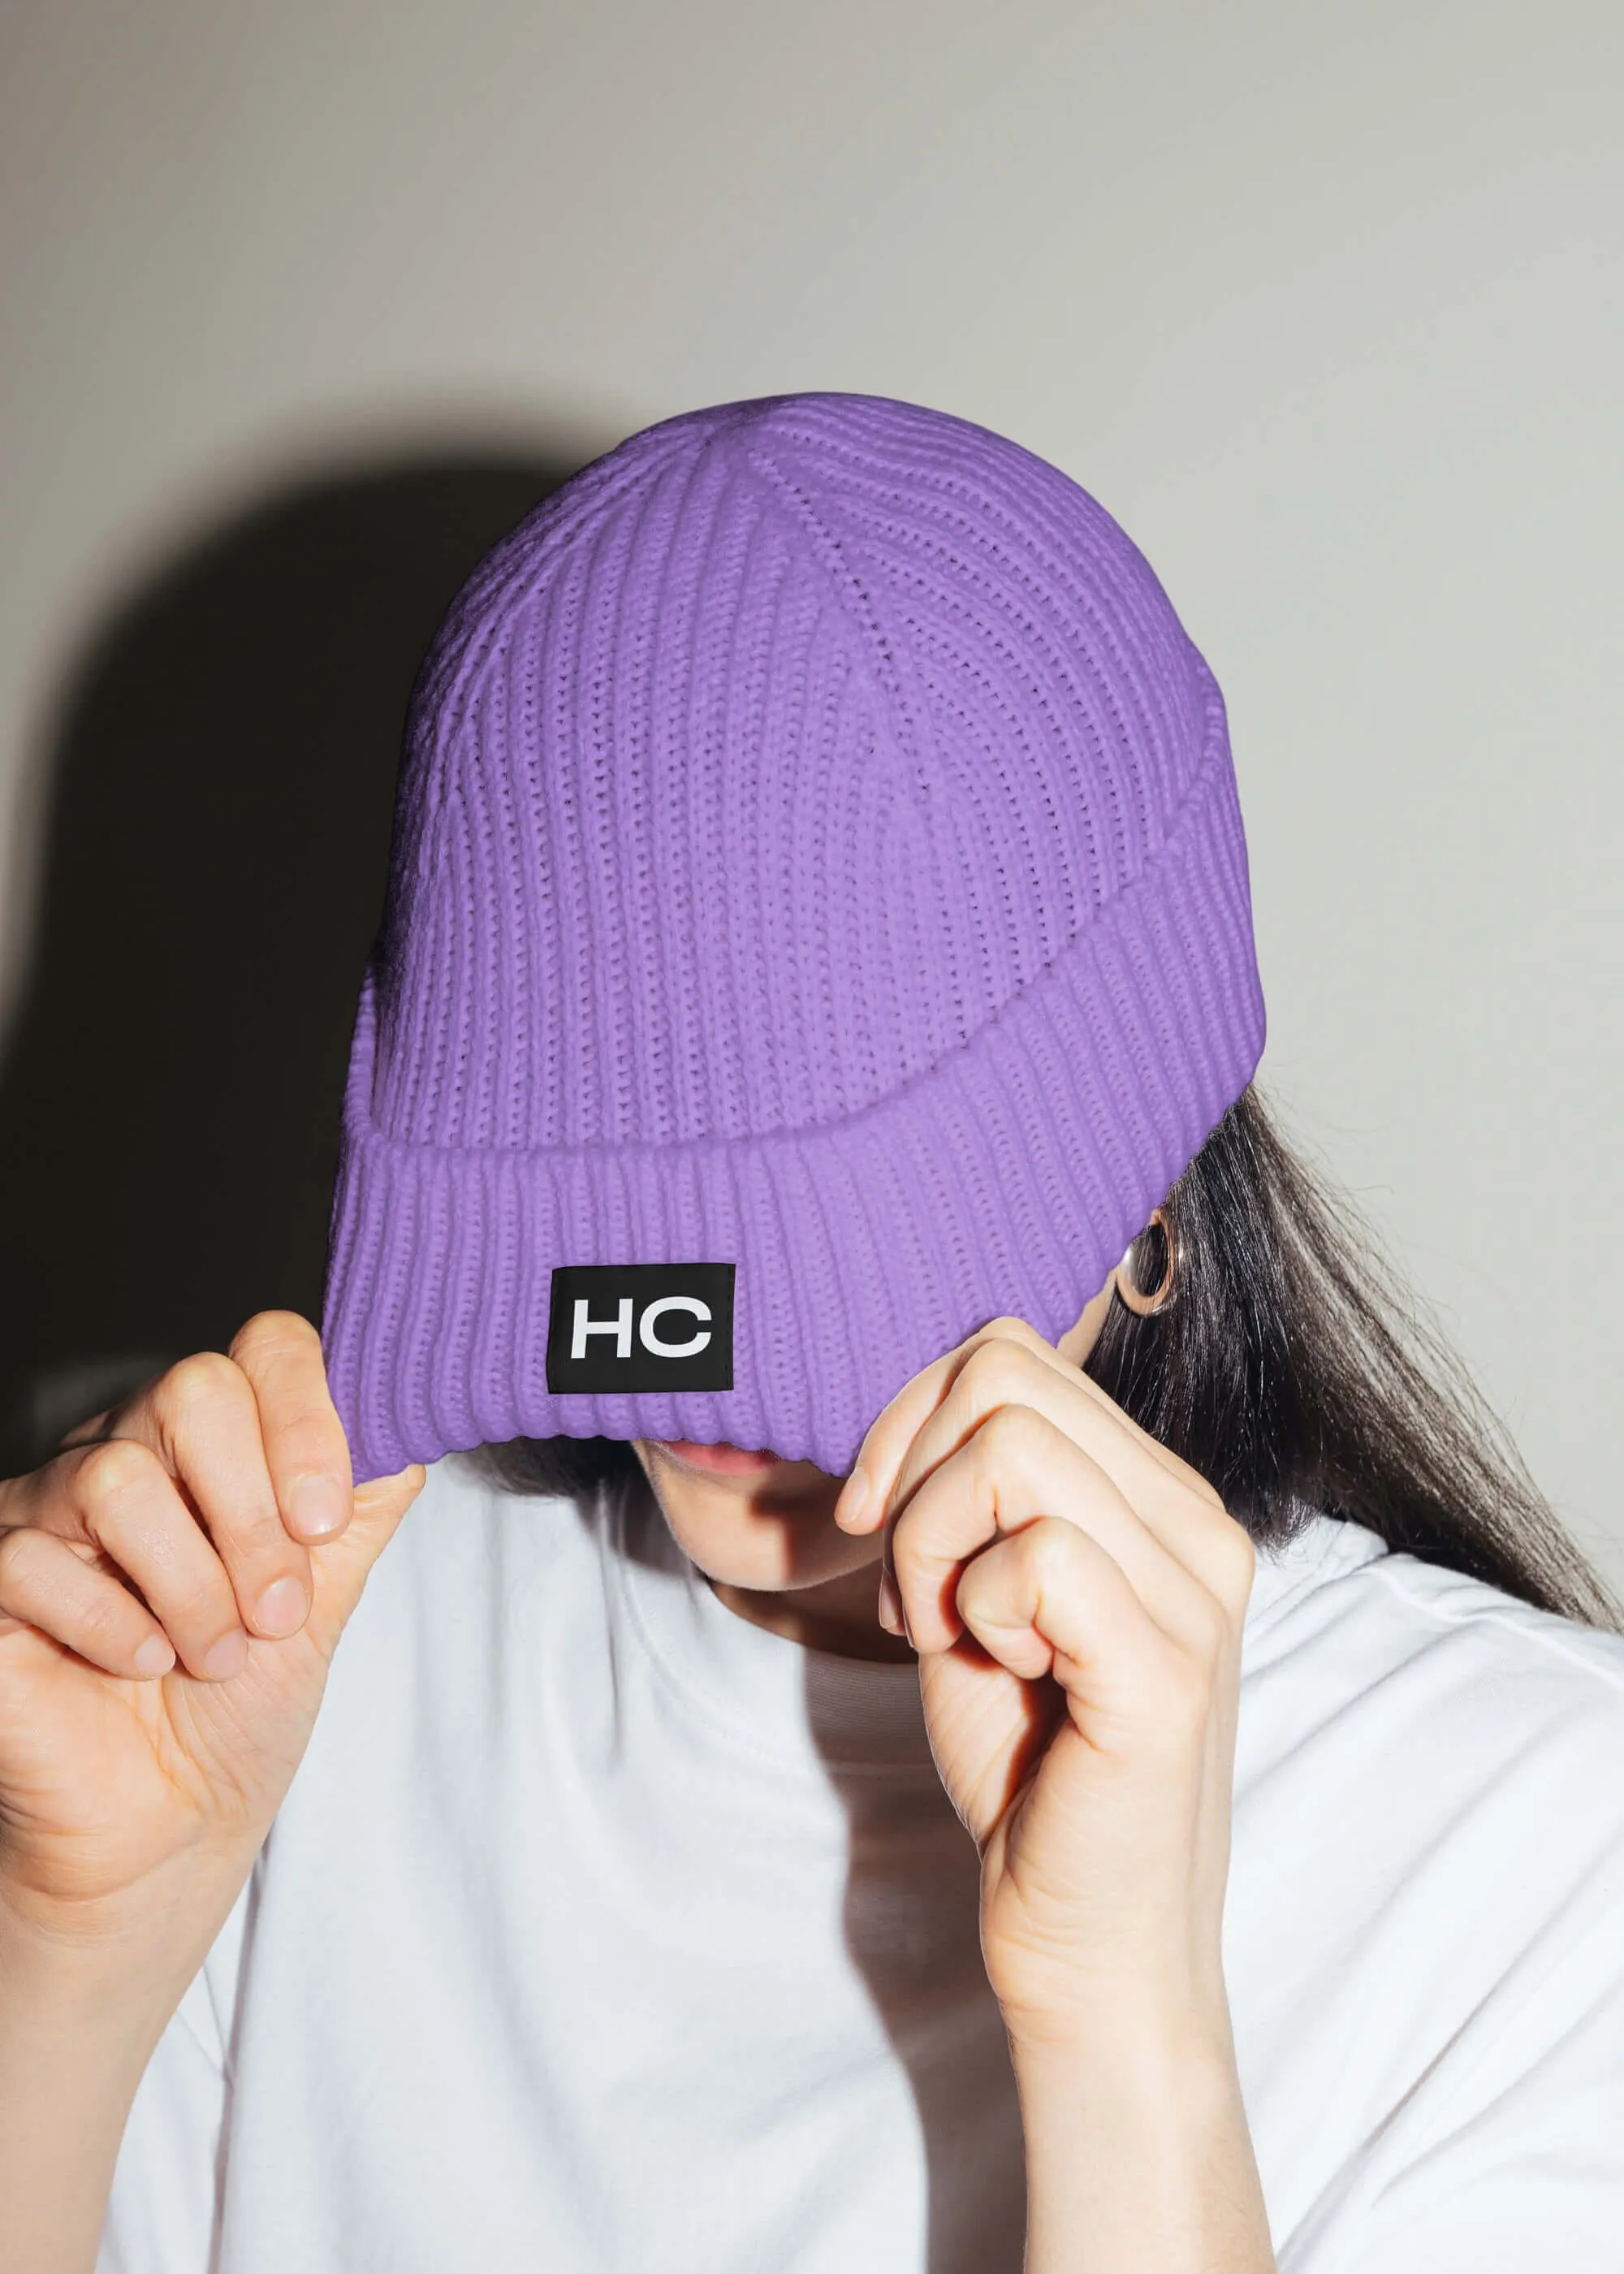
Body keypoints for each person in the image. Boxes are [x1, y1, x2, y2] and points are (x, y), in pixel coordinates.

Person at [0, 394, 1619, 2274]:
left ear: (1142, 1159)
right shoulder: (254, 1664)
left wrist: (1129, 2042)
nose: (708, 1352)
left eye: (819, 1215)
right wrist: (67, 1947)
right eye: (594, 1167)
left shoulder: (1531, 1858)